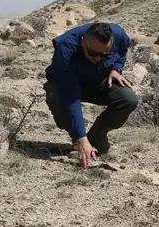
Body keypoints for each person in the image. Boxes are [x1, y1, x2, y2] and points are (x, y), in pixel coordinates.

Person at [44, 21, 139, 168]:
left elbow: (122, 50)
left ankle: (96, 135)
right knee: (57, 97)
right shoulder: (66, 49)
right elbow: (71, 97)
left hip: (98, 82)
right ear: (83, 42)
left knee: (128, 99)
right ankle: (78, 141)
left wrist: (116, 69)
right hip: (67, 85)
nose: (99, 58)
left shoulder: (119, 35)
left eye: (105, 54)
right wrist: (81, 138)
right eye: (94, 53)